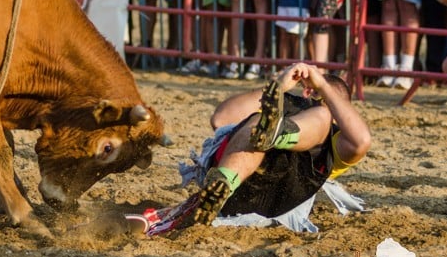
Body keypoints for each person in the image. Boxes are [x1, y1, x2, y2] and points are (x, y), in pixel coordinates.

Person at [128, 62, 371, 235]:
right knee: (259, 124)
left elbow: (361, 141)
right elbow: (222, 118)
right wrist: (277, 86)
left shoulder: (337, 143)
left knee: (317, 116)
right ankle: (221, 185)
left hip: (279, 199)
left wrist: (322, 86)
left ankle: (276, 135)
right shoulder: (286, 105)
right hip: (240, 183)